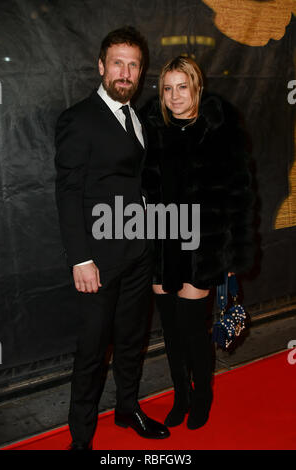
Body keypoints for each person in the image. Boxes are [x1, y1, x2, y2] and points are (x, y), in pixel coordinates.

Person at [54, 26, 170, 450]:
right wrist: (80, 259)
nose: (125, 72)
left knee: (131, 340)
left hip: (138, 253)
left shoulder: (137, 116)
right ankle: (81, 439)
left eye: (133, 65)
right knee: (90, 353)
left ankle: (127, 408)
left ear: (141, 72)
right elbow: (67, 193)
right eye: (117, 63)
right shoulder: (78, 119)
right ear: (101, 66)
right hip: (99, 262)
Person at [141, 56, 254, 430]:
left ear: (197, 87)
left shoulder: (221, 129)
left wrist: (236, 252)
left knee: (192, 330)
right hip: (162, 244)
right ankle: (181, 396)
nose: (174, 96)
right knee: (170, 332)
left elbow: (240, 194)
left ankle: (202, 394)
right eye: (168, 88)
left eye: (182, 87)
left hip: (201, 247)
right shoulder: (152, 128)